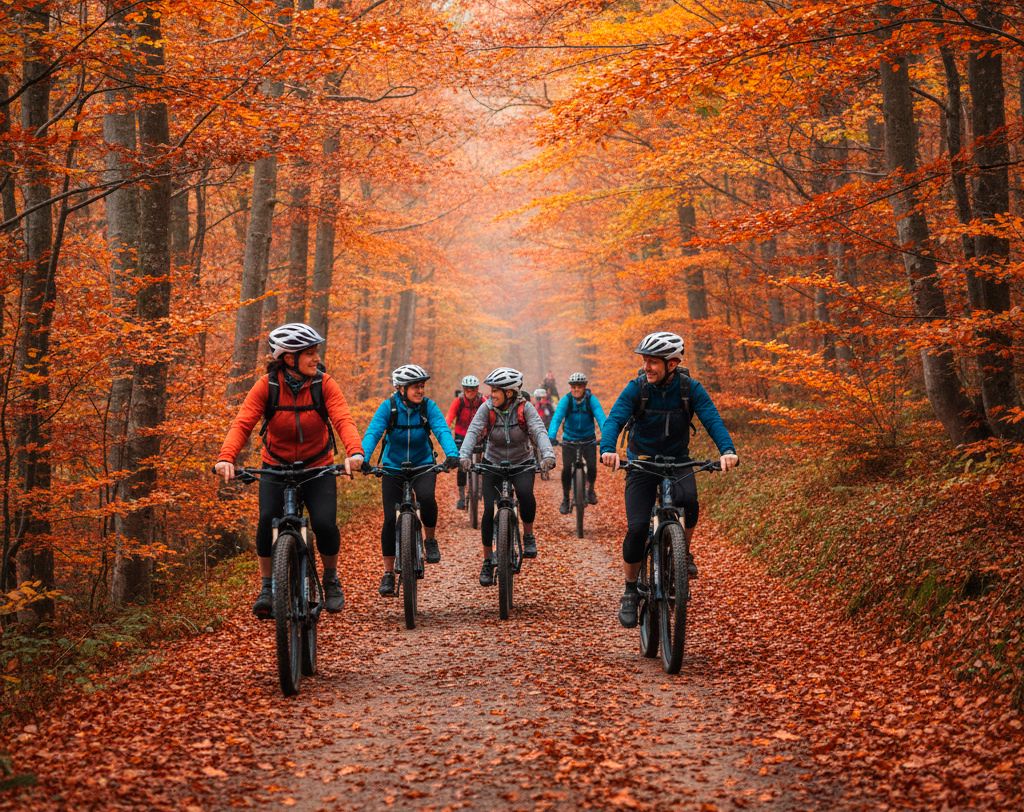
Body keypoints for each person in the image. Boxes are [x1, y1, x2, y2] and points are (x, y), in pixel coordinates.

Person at [215, 323, 365, 618]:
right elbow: (243, 423)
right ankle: (268, 587)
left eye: (316, 352)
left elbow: (343, 420)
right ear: (288, 358)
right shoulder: (267, 386)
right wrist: (226, 457)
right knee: (265, 523)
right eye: (309, 353)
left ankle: (331, 578)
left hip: (317, 466)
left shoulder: (324, 384)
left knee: (324, 524)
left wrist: (355, 452)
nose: (316, 359)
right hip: (275, 466)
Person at [599, 331, 739, 628]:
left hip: (678, 461)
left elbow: (712, 419)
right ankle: (629, 590)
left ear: (672, 364)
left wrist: (727, 450)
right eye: (645, 361)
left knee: (689, 501)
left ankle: (682, 552)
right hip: (642, 463)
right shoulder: (637, 388)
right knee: (637, 528)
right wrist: (608, 449)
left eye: (653, 362)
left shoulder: (690, 388)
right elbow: (615, 419)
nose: (647, 366)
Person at [362, 364, 460, 597]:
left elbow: (442, 429)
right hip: (393, 467)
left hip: (423, 464)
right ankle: (388, 573)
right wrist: (363, 458)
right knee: (388, 519)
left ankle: (431, 539)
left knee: (426, 498)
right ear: (401, 388)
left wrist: (452, 454)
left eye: (422, 386)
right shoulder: (389, 407)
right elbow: (373, 432)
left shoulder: (429, 407)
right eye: (415, 387)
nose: (420, 391)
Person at [459, 367, 555, 585]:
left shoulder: (525, 409)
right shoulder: (487, 408)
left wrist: (548, 455)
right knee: (488, 510)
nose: (491, 394)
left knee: (525, 495)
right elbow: (473, 431)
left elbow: (539, 431)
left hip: (521, 461)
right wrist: (463, 455)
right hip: (493, 461)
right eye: (491, 390)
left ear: (509, 392)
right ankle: (486, 561)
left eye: (495, 391)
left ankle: (528, 535)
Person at [548, 371, 606, 513]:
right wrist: (551, 436)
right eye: (573, 387)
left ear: (584, 387)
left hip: (588, 440)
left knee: (592, 467)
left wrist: (607, 436)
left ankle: (591, 489)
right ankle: (566, 499)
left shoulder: (591, 400)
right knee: (567, 469)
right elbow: (556, 418)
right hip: (570, 440)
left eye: (579, 387)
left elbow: (601, 417)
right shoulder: (566, 400)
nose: (576, 389)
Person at [446, 375, 486, 509]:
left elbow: (491, 415)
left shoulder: (482, 401)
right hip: (461, 435)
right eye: (467, 389)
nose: (470, 392)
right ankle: (462, 497)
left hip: (480, 435)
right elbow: (449, 418)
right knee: (462, 465)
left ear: (477, 389)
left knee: (485, 462)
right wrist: (446, 435)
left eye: (473, 389)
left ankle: (482, 488)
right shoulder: (459, 401)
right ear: (463, 389)